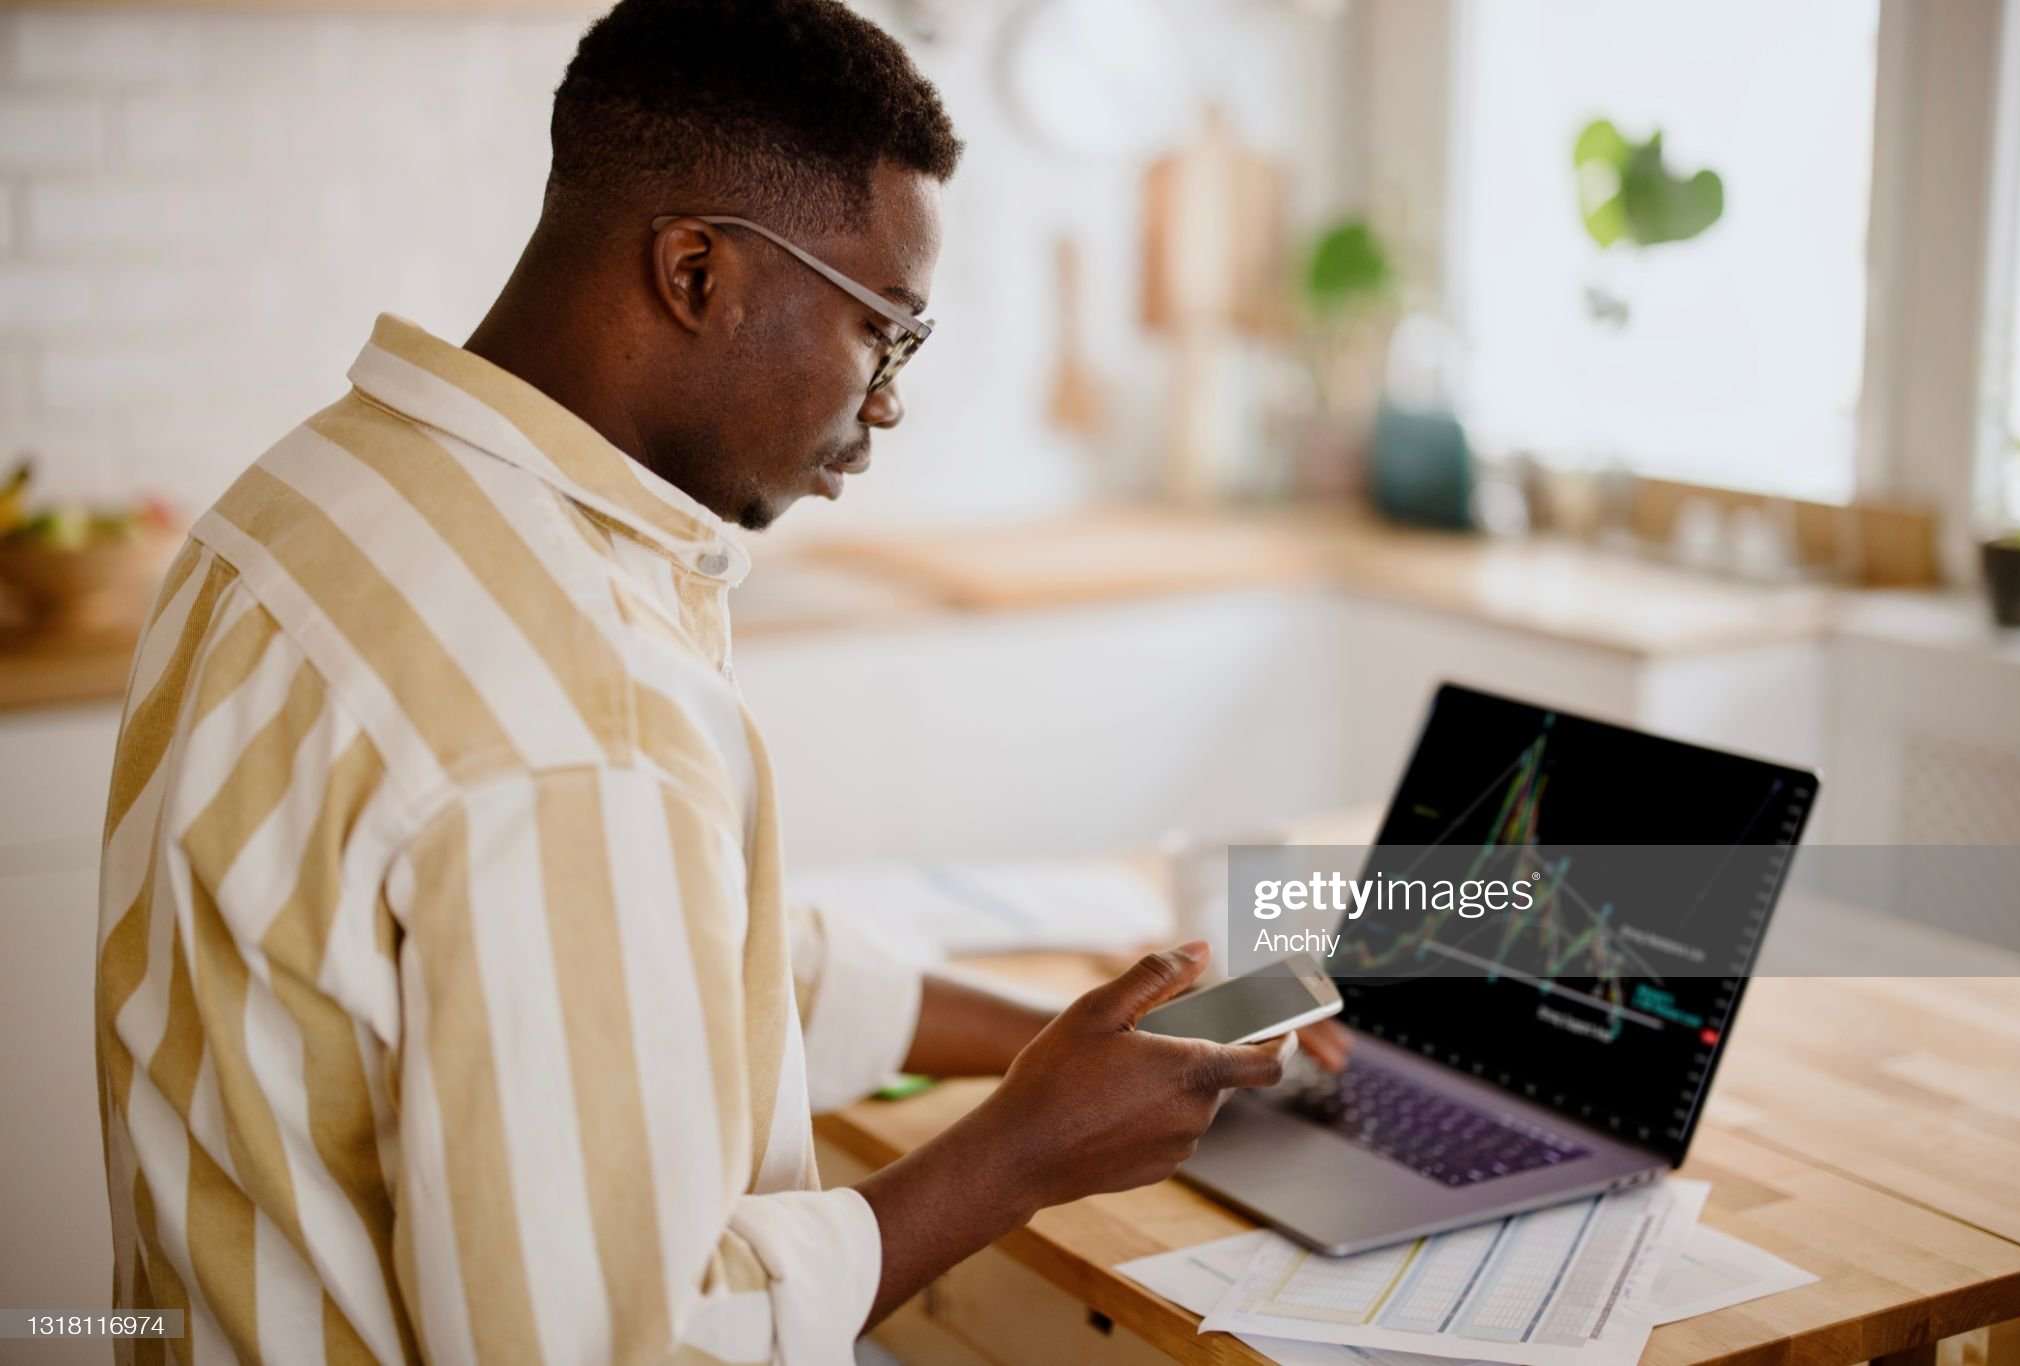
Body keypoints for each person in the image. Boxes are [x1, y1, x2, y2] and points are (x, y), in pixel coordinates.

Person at [92, 2, 1349, 1361]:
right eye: (886, 333)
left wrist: (1050, 1037)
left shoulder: (309, 503)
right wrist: (1022, 1152)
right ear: (697, 271)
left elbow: (655, 961)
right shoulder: (581, 715)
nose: (889, 405)